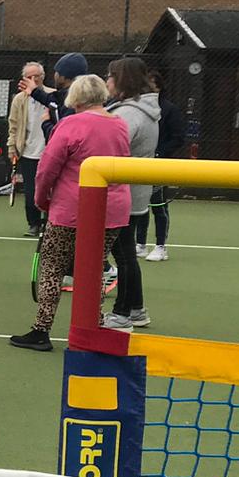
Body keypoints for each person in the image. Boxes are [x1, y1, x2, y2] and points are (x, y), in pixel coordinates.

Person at [9, 75, 132, 352]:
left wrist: (41, 200)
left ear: (75, 98)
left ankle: (41, 329)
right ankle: (93, 327)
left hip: (71, 209)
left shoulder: (70, 124)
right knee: (93, 269)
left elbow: (48, 168)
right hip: (111, 211)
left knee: (52, 267)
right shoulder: (120, 125)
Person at [105, 58, 161, 331]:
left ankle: (123, 312)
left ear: (122, 80)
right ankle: (136, 310)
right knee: (125, 252)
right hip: (135, 194)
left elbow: (109, 148)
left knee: (124, 255)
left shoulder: (128, 114)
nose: (107, 82)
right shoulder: (142, 109)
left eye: (110, 76)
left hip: (121, 195)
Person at [139, 71, 187, 262]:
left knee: (158, 205)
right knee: (140, 204)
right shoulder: (139, 109)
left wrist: (159, 153)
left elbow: (178, 138)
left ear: (158, 86)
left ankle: (161, 246)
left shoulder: (169, 109)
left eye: (150, 84)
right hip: (141, 164)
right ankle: (140, 244)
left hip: (159, 165)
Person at [7, 61, 50, 236]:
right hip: (27, 153)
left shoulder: (53, 96)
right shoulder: (19, 99)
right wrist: (12, 147)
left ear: (42, 77)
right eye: (29, 77)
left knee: (50, 191)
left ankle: (49, 225)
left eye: (36, 76)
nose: (33, 80)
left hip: (49, 153)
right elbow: (13, 125)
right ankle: (33, 224)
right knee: (31, 192)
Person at [19, 52, 87, 140]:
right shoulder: (76, 96)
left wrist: (46, 123)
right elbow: (50, 99)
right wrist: (34, 91)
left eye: (57, 72)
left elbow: (60, 138)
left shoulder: (71, 104)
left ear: (63, 76)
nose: (55, 75)